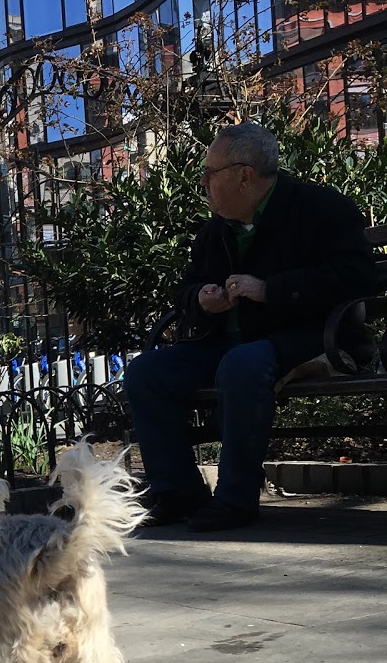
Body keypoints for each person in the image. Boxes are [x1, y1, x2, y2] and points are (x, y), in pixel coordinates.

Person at [124, 121, 379, 532]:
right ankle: (177, 492)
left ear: (244, 175)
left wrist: (271, 290)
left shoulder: (321, 208)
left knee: (242, 364)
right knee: (146, 372)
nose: (203, 181)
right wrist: (201, 299)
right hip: (224, 343)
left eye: (211, 173)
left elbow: (357, 279)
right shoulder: (216, 228)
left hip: (312, 338)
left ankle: (235, 499)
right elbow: (185, 289)